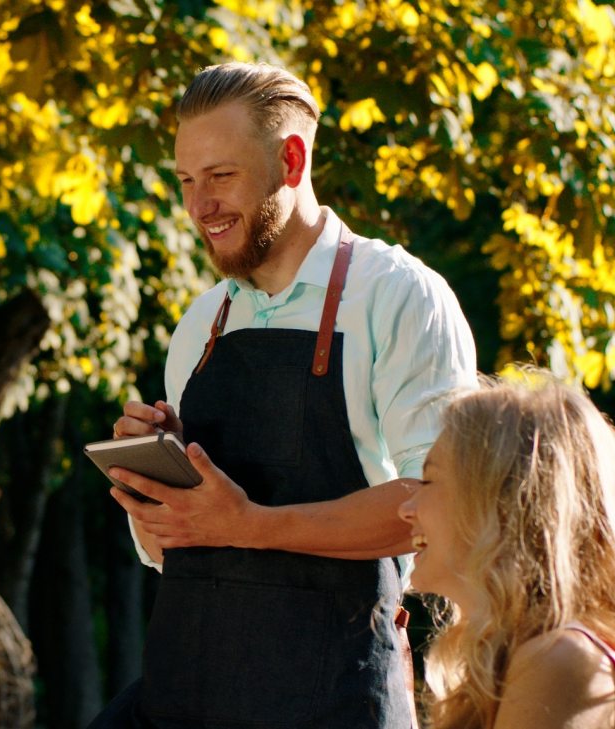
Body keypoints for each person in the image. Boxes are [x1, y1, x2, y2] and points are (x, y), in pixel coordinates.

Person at [92, 62, 477, 728]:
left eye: (221, 177)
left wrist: (253, 525)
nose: (198, 206)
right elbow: (167, 550)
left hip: (336, 696)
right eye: (186, 181)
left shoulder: (397, 296)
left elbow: (445, 505)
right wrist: (151, 490)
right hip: (189, 693)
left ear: (292, 159)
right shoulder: (199, 327)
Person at [397, 374, 615, 728]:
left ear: (506, 507)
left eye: (430, 480)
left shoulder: (560, 660)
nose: (406, 507)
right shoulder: (534, 656)